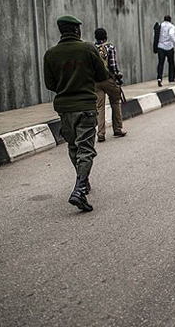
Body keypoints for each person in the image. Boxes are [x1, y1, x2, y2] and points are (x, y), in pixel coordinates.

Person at [44, 15, 109, 212]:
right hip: (86, 107)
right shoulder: (88, 49)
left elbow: (50, 84)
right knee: (86, 149)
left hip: (64, 109)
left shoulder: (50, 54)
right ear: (76, 30)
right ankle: (80, 189)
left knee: (73, 147)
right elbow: (102, 75)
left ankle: (83, 181)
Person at [94, 28, 127, 142]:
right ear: (106, 36)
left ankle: (101, 133)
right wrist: (117, 75)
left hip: (95, 82)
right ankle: (117, 128)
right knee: (115, 102)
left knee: (100, 107)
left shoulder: (92, 49)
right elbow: (113, 65)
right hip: (108, 80)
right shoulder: (110, 47)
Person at [155, 15, 175, 87]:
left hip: (160, 46)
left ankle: (159, 78)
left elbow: (155, 35)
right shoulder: (171, 26)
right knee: (171, 63)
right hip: (169, 47)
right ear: (170, 20)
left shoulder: (160, 25)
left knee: (160, 63)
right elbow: (171, 34)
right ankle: (171, 78)